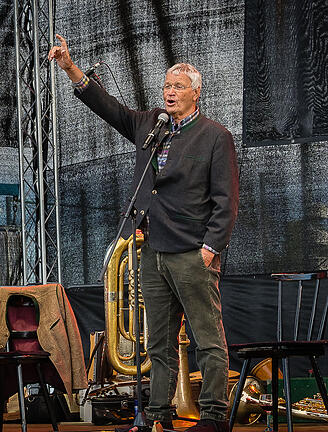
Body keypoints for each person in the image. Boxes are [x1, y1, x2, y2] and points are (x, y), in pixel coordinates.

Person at [49, 35, 239, 432]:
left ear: (196, 93)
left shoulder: (214, 136)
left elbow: (226, 200)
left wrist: (210, 248)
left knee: (207, 339)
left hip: (192, 251)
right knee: (158, 343)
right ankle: (156, 417)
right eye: (167, 86)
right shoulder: (152, 125)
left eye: (178, 87)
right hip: (152, 247)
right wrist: (69, 66)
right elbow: (109, 108)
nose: (170, 92)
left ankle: (214, 416)